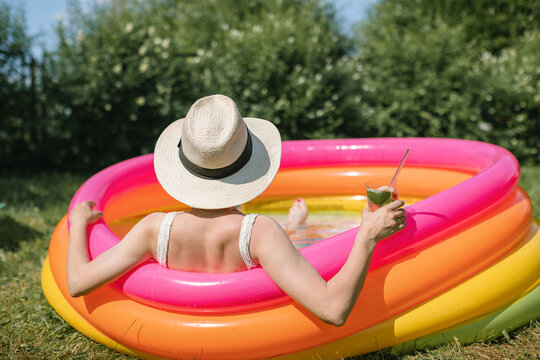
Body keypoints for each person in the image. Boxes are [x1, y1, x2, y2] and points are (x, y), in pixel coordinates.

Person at [67, 94, 406, 326]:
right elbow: (333, 310)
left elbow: (78, 282)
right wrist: (366, 235)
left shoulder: (153, 229)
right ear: (249, 163)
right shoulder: (260, 233)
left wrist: (79, 224)